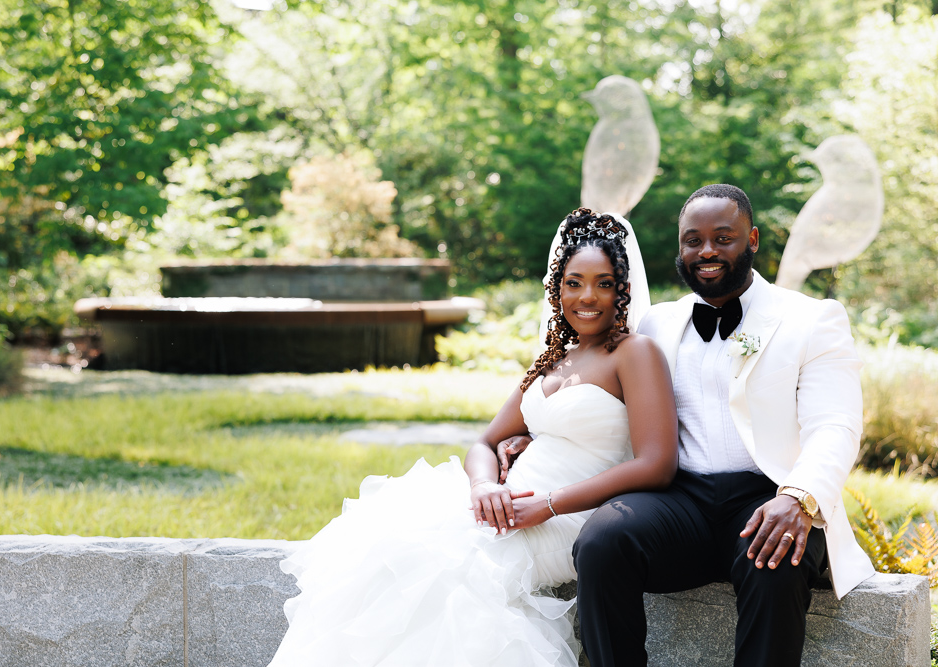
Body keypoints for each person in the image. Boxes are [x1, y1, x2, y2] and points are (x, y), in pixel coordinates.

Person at [267, 208, 678, 667]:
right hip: (505, 502)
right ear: (556, 288)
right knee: (391, 548)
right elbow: (483, 443)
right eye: (573, 282)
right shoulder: (554, 360)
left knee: (446, 572)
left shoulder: (634, 353)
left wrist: (548, 504)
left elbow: (656, 464)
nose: (587, 297)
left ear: (622, 289)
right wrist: (485, 486)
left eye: (603, 283)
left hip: (568, 517)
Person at [563, 184, 877, 667]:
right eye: (693, 240)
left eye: (722, 237)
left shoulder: (811, 319)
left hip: (769, 497)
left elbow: (835, 425)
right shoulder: (656, 324)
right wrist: (536, 434)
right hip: (678, 502)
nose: (706, 251)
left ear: (751, 239)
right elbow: (600, 390)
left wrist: (798, 499)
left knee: (776, 564)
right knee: (604, 542)